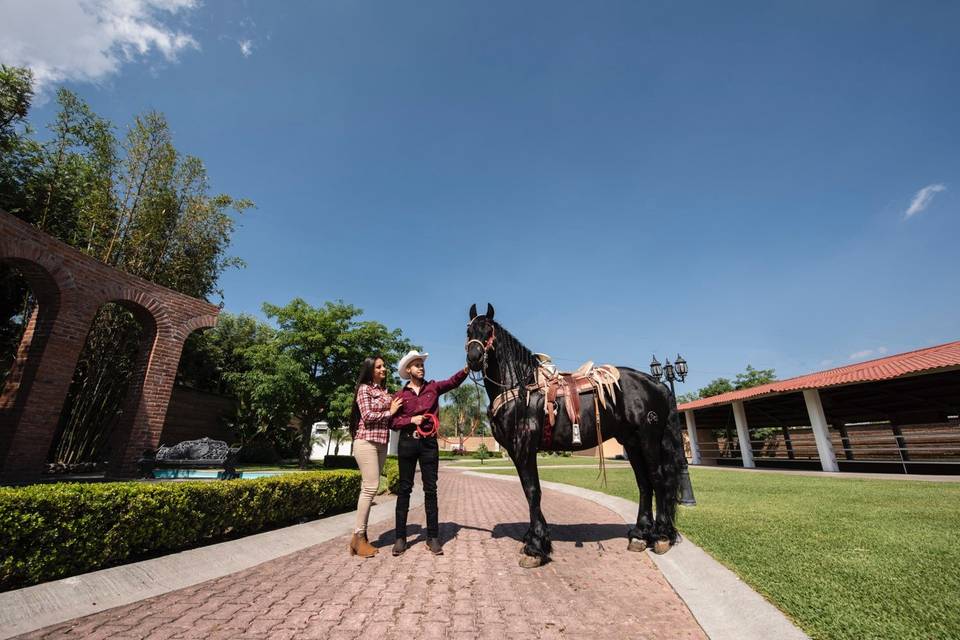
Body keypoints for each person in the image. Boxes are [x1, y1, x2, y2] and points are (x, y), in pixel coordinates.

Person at [390, 349, 468, 556]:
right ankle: (400, 538)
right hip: (407, 444)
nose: (421, 367)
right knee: (404, 489)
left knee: (430, 490)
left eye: (422, 364)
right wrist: (410, 420)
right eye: (417, 365)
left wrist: (467, 369)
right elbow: (392, 422)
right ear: (408, 370)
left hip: (428, 444)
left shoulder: (433, 388)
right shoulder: (399, 395)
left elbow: (452, 382)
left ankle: (432, 537)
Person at [348, 355, 403, 557]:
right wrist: (391, 411)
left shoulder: (385, 391)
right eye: (379, 366)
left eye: (384, 366)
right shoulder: (364, 389)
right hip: (366, 442)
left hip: (381, 443)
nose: (384, 369)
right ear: (371, 370)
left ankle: (359, 539)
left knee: (370, 487)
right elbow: (368, 416)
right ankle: (359, 536)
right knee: (370, 487)